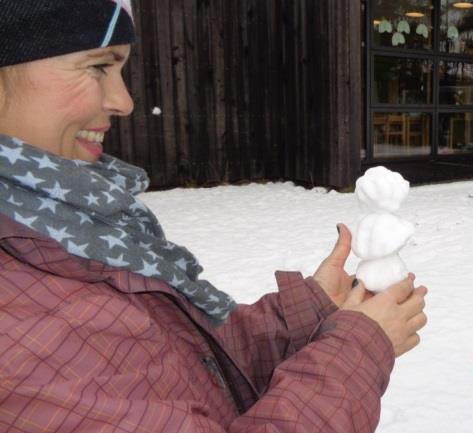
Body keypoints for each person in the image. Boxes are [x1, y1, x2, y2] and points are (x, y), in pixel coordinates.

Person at [0, 2, 427, 432]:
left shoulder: (76, 225)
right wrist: (356, 351)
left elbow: (189, 363)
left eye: (120, 71)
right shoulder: (15, 319)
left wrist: (313, 310)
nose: (124, 101)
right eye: (96, 67)